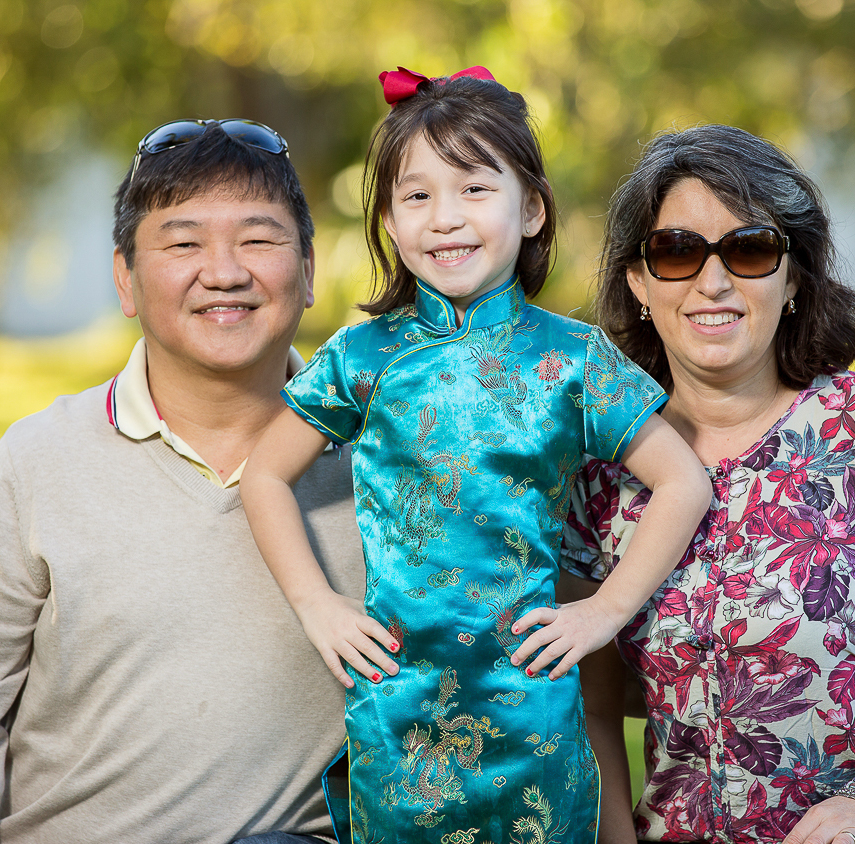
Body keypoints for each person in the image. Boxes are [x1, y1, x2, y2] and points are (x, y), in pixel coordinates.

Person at [241, 69, 712, 844]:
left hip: (532, 704)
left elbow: (682, 482)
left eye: (473, 188)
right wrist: (317, 604)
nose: (444, 218)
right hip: (398, 704)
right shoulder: (364, 355)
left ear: (531, 208)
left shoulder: (573, 360)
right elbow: (264, 474)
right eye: (416, 196)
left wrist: (603, 611)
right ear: (389, 221)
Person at [0, 119, 365, 844]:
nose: (225, 271)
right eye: (183, 243)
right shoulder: (37, 463)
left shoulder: (386, 464)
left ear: (307, 268)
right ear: (125, 280)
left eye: (258, 239)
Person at [561, 124, 855, 844]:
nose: (713, 282)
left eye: (748, 249)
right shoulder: (600, 479)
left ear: (794, 275)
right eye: (678, 252)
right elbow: (591, 712)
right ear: (639, 284)